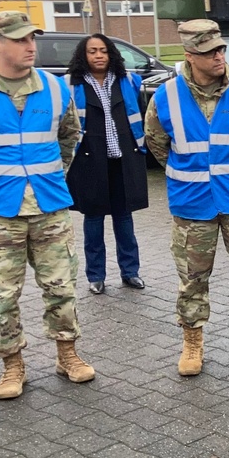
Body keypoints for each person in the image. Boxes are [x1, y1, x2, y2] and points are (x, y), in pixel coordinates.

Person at [0, 11, 94, 399]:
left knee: (61, 286)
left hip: (49, 204)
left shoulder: (55, 88)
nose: (30, 46)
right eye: (20, 40)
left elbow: (70, 136)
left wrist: (48, 175)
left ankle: (67, 354)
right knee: (0, 294)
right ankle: (12, 365)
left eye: (32, 38)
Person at [145, 19, 229, 377]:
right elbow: (157, 144)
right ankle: (192, 342)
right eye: (209, 52)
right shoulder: (166, 96)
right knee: (192, 278)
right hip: (192, 204)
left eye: (221, 49)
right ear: (190, 56)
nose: (218, 56)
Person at [65, 34, 148, 295]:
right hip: (89, 161)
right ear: (83, 55)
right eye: (92, 51)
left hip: (123, 159)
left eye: (103, 50)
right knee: (94, 219)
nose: (99, 55)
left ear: (111, 54)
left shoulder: (129, 81)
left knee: (124, 218)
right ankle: (96, 276)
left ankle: (130, 272)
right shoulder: (70, 84)